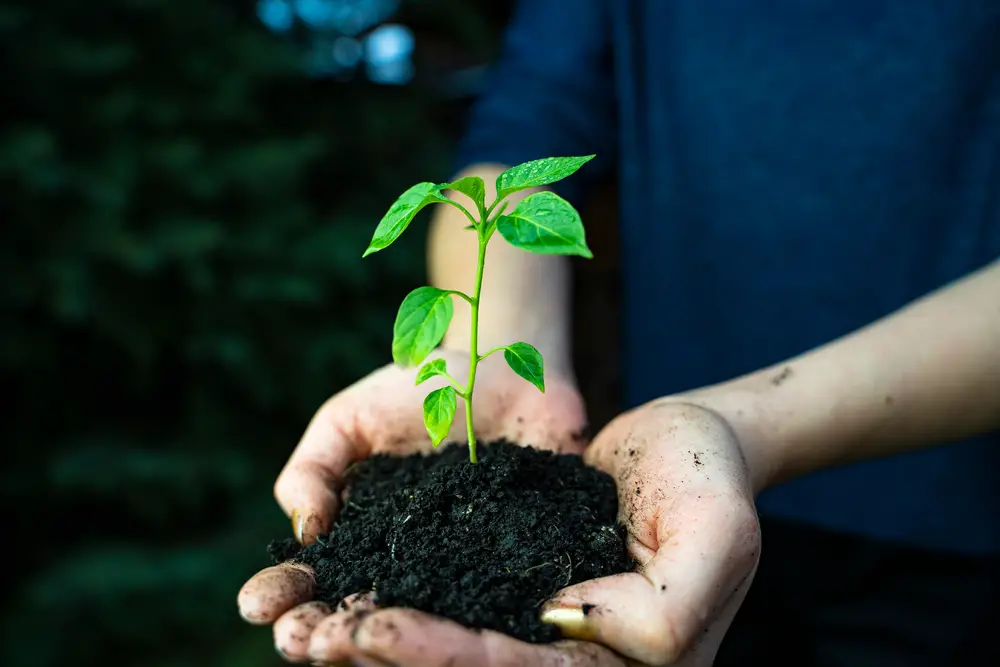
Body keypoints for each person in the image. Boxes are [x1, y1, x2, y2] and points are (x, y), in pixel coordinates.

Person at [238, 1, 1000, 665]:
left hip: (947, 524)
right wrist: (481, 348)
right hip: (652, 506)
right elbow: (527, 121)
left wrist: (737, 429)